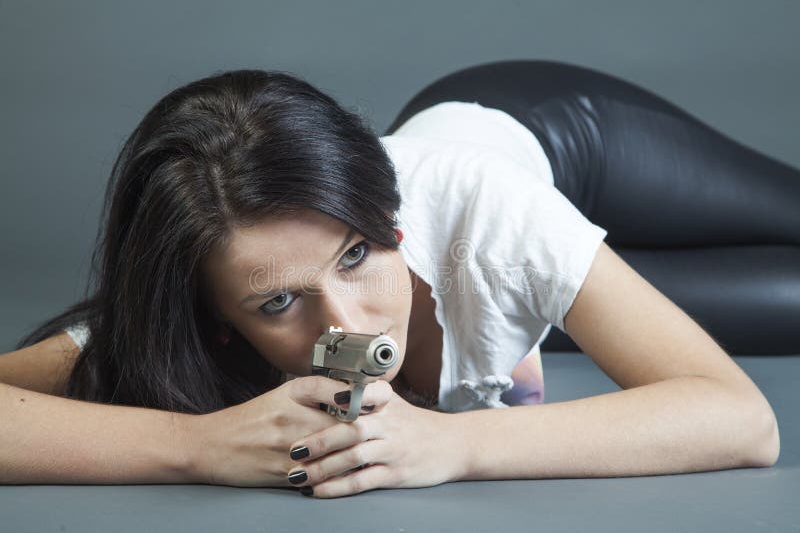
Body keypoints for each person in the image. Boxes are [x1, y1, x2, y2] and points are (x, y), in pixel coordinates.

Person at [0, 61, 785, 497]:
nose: (348, 326)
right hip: (516, 263)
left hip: (568, 134)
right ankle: (569, 282)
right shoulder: (196, 296)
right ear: (217, 320)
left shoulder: (491, 216)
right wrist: (197, 444)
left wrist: (456, 444)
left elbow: (742, 423)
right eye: (278, 302)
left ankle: (565, 275)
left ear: (395, 224)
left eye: (355, 258)